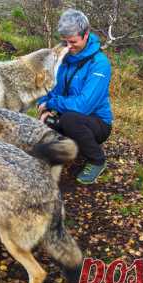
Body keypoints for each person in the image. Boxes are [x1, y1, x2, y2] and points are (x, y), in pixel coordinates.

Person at [37, 8, 113, 184]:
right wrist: (43, 105)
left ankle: (97, 160)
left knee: (71, 120)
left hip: (96, 123)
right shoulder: (63, 58)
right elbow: (50, 88)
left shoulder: (100, 64)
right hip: (67, 114)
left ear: (86, 35)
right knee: (47, 124)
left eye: (73, 41)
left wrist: (52, 104)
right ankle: (70, 150)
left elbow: (84, 105)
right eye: (65, 42)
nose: (68, 47)